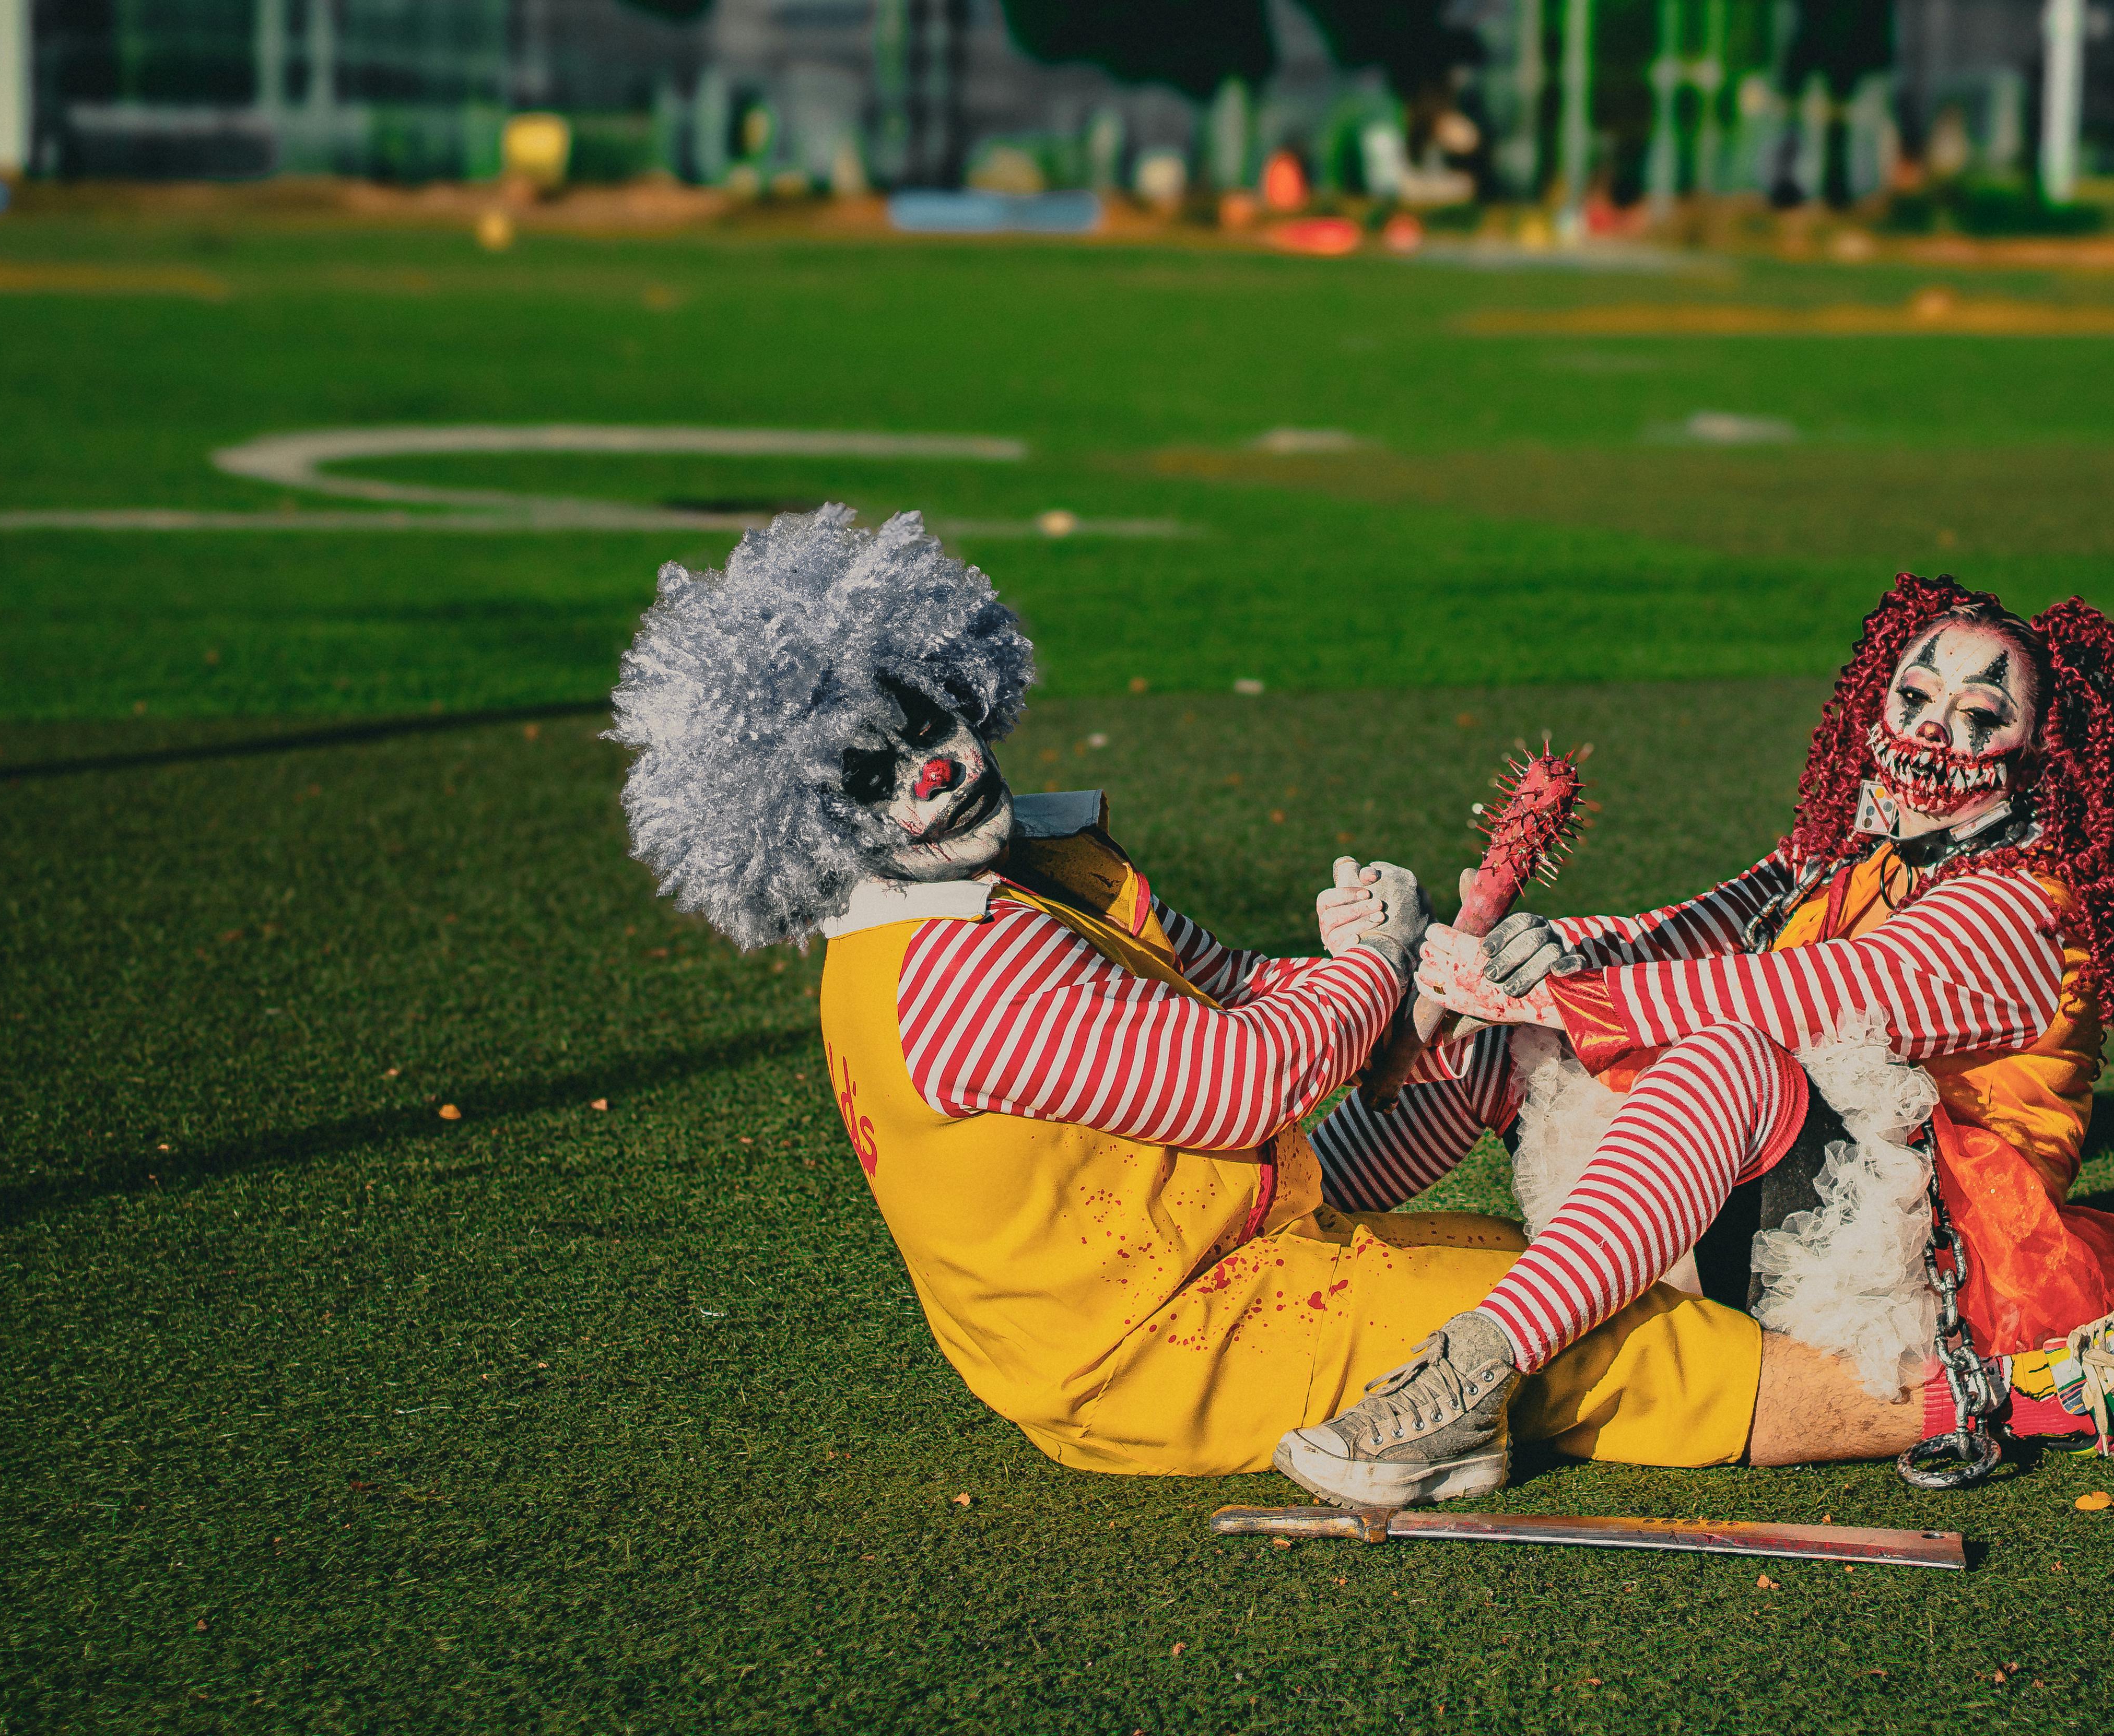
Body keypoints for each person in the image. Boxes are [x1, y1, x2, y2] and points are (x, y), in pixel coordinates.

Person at [604, 506, 1935, 1486]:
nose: (929, 773)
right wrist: (1373, 966)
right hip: (1153, 1344)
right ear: (800, 825)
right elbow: (1246, 1076)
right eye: (870, 774)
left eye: (921, 717)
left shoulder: (1030, 863)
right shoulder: (949, 975)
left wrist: (1407, 976)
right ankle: (1976, 1395)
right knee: (1587, 1343)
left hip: (1237, 1234)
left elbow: (1238, 987)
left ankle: (1755, 1257)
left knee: (1510, 1156)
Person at [1270, 573, 2114, 1507]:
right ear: (1872, 704)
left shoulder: (2026, 907)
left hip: (1904, 1275)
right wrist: (1457, 958)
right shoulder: (1841, 851)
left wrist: (1550, 993)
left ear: (2040, 753)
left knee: (1726, 1049)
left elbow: (1806, 991)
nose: (1933, 733)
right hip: (1761, 1210)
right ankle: (1276, 1223)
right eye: (1915, 699)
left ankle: (1469, 1377)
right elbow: (1677, 932)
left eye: (1979, 716)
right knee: (1508, 1044)